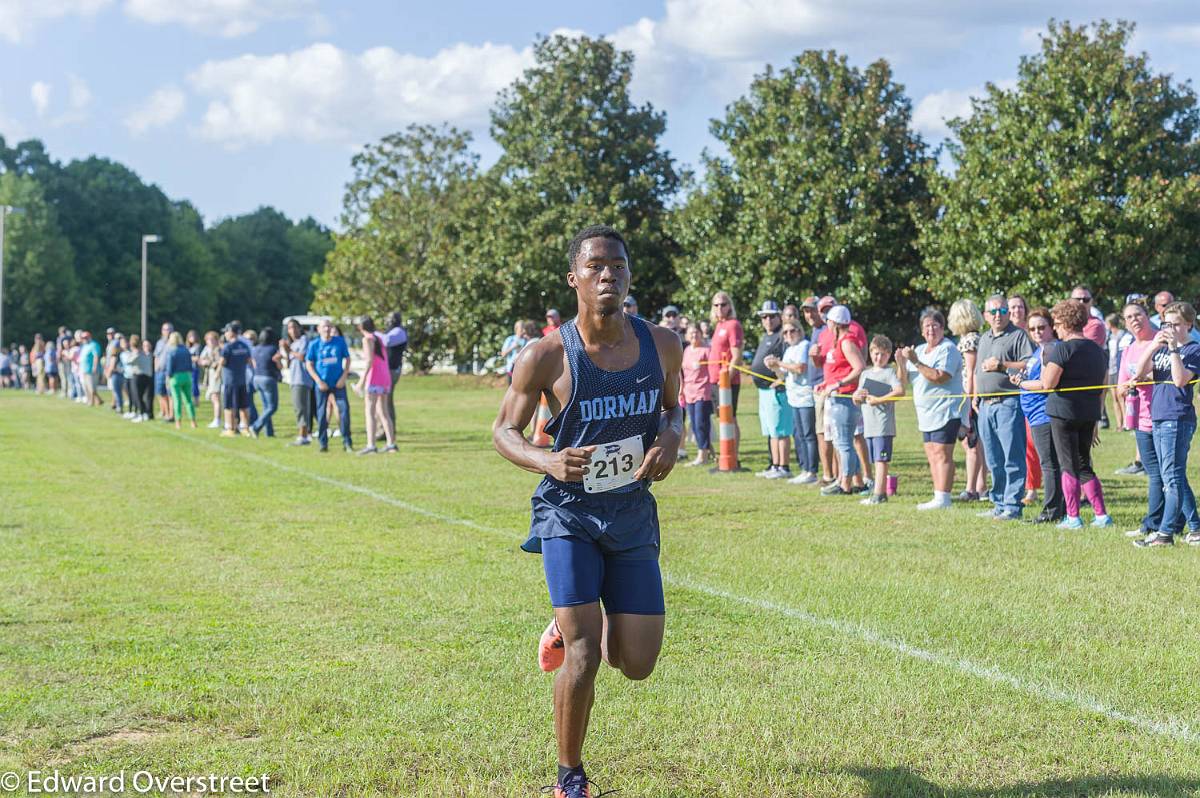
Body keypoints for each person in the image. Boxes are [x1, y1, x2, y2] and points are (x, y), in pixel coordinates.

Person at [491, 225, 682, 798]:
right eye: (596, 266)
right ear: (574, 278)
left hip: (630, 512)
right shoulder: (546, 354)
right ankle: (569, 777)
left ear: (629, 275)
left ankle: (568, 624)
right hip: (568, 513)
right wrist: (546, 460)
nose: (608, 275)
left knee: (638, 661)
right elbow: (503, 430)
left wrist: (671, 438)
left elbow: (675, 409)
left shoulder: (663, 344)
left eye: (617, 266)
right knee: (583, 652)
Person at [1129, 301, 1200, 547]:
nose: (1169, 329)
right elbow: (1138, 373)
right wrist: (1153, 346)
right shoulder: (1160, 349)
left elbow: (1180, 380)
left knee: (1172, 477)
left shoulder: (1193, 350)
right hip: (1158, 416)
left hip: (1177, 418)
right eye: (1166, 324)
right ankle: (1196, 529)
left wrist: (1172, 349)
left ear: (1189, 324)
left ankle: (1165, 534)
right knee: (1174, 475)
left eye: (1176, 324)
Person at [1036, 299, 1111, 530]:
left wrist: (1025, 384)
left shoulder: (1062, 348)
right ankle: (1101, 515)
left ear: (1067, 323)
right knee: (1083, 463)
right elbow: (1103, 385)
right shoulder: (1098, 351)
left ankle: (1073, 517)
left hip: (1064, 413)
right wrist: (1098, 415)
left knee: (1067, 465)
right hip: (1088, 413)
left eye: (1057, 323)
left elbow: (1048, 384)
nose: (1055, 327)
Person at [897, 308, 964, 510]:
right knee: (932, 453)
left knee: (942, 453)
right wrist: (901, 363)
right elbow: (903, 382)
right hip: (925, 413)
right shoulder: (918, 349)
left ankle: (944, 497)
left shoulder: (948, 349)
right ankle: (938, 495)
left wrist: (915, 361)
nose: (931, 329)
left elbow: (940, 376)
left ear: (942, 328)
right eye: (926, 326)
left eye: (935, 325)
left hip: (946, 410)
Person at [975, 293, 1033, 521]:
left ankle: (1012, 505)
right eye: (993, 312)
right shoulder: (984, 338)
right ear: (985, 316)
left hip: (1008, 403)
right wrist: (975, 395)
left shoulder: (1018, 336)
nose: (998, 316)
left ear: (1008, 313)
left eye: (1002, 311)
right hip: (985, 405)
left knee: (1012, 456)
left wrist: (1003, 365)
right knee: (993, 458)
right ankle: (998, 503)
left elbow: (1029, 364)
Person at [1010, 308, 1065, 523]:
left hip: (1045, 414)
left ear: (1051, 327)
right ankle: (1058, 508)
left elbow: (1045, 383)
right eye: (1032, 328)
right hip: (1035, 414)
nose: (1037, 332)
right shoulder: (1039, 350)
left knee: (1049, 464)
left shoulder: (1050, 349)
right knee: (1050, 463)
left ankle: (1052, 511)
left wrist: (1022, 383)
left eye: (1042, 327)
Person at [1115, 302, 1161, 539]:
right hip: (1141, 419)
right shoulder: (1129, 349)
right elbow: (1120, 387)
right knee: (1155, 473)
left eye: (1139, 315)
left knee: (1167, 474)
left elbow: (1169, 373)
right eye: (1130, 317)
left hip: (1164, 417)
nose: (1135, 320)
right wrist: (1129, 385)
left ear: (1147, 316)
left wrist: (1145, 376)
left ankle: (1157, 524)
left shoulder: (1160, 342)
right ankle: (1158, 522)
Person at [814, 305, 865, 496]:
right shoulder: (840, 341)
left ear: (834, 323)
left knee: (843, 443)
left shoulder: (846, 342)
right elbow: (838, 370)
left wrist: (838, 384)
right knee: (843, 442)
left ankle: (845, 484)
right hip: (836, 396)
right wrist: (825, 383)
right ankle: (857, 481)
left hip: (844, 398)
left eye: (828, 321)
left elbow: (859, 367)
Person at [854, 335, 905, 505]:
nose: (879, 357)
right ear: (870, 353)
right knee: (873, 459)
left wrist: (878, 400)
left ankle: (879, 494)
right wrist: (857, 396)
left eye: (883, 354)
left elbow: (899, 391)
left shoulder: (889, 372)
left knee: (881, 460)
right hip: (869, 425)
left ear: (889, 354)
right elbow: (858, 397)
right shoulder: (865, 374)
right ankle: (878, 490)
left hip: (883, 425)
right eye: (876, 353)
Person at [949, 299, 987, 502]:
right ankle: (981, 486)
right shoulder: (974, 338)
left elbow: (971, 372)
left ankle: (972, 488)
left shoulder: (970, 340)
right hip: (968, 395)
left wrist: (970, 399)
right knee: (976, 443)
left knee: (970, 443)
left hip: (967, 396)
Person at [750, 300, 792, 479]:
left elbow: (787, 362)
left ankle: (783, 466)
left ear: (779, 317)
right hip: (763, 391)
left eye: (772, 316)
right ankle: (774, 464)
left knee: (780, 430)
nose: (768, 320)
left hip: (777, 390)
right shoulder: (766, 336)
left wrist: (781, 380)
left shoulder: (782, 336)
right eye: (764, 316)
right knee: (771, 430)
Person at [775, 319, 817, 483]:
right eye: (785, 332)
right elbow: (783, 375)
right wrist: (774, 367)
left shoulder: (804, 346)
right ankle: (804, 469)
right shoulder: (789, 350)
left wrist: (779, 363)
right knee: (798, 435)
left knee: (808, 435)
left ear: (800, 331)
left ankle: (812, 471)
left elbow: (800, 368)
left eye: (792, 331)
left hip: (806, 397)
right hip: (794, 398)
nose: (789, 334)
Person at [305, 319, 353, 453]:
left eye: (329, 326)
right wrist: (318, 381)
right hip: (322, 385)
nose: (327, 329)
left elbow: (347, 359)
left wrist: (343, 377)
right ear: (318, 329)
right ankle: (323, 443)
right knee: (321, 414)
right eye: (324, 327)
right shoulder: (314, 344)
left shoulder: (339, 342)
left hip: (338, 383)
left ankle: (347, 442)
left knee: (344, 411)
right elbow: (309, 363)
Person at [354, 316, 397, 455]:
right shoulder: (378, 338)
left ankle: (371, 445)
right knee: (383, 412)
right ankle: (391, 443)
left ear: (361, 327)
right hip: (384, 377)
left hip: (374, 377)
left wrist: (361, 382)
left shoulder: (367, 339)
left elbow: (369, 361)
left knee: (370, 412)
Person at [707, 291, 744, 451]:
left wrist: (726, 380)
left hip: (727, 381)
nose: (719, 307)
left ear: (729, 306)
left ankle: (732, 456)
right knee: (722, 417)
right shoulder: (718, 325)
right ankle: (726, 452)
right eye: (716, 305)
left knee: (730, 417)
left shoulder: (733, 324)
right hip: (714, 380)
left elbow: (736, 357)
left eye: (723, 304)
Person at [801, 297, 832, 482]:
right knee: (820, 433)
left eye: (813, 310)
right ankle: (828, 474)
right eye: (806, 311)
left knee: (826, 434)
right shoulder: (815, 331)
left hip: (825, 387)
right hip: (815, 387)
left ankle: (831, 475)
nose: (810, 315)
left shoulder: (826, 330)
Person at [680, 323, 713, 466]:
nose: (694, 335)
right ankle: (707, 452)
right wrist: (681, 389)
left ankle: (703, 456)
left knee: (701, 424)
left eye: (696, 332)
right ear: (687, 335)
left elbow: (712, 371)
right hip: (688, 393)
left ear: (701, 334)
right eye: (691, 333)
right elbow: (681, 372)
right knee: (694, 425)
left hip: (702, 392)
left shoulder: (706, 350)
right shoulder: (686, 350)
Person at [218, 322, 253, 438]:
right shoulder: (244, 346)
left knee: (229, 406)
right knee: (243, 405)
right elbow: (249, 361)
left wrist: (217, 372)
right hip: (242, 379)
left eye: (226, 332)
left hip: (230, 380)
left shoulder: (228, 347)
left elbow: (223, 362)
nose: (225, 334)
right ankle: (246, 428)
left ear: (231, 332)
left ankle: (231, 428)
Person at [284, 319, 315, 445]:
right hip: (294, 378)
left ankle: (303, 436)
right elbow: (289, 362)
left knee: (301, 408)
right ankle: (305, 434)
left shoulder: (304, 340)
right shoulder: (293, 343)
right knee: (298, 407)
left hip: (302, 379)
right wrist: (286, 351)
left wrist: (289, 350)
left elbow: (302, 357)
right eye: (290, 328)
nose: (292, 330)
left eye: (294, 327)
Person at [251, 327, 282, 438]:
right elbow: (279, 365)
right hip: (268, 378)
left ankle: (269, 432)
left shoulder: (255, 349)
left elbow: (254, 364)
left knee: (266, 406)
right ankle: (256, 426)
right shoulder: (273, 349)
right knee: (272, 407)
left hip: (256, 378)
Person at [381, 311, 408, 434]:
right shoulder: (392, 331)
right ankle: (385, 428)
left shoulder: (399, 332)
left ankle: (388, 429)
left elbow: (385, 341)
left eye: (390, 319)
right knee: (384, 400)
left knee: (386, 400)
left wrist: (373, 335)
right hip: (387, 369)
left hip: (392, 370)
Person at [165, 331, 197, 430]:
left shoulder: (172, 351)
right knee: (188, 400)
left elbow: (169, 367)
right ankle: (193, 422)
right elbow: (190, 364)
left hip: (176, 377)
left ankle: (178, 422)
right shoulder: (186, 350)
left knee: (177, 400)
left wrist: (168, 377)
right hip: (187, 376)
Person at [199, 331, 224, 429]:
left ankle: (217, 420)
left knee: (215, 397)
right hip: (209, 375)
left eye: (212, 340)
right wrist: (203, 362)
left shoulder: (219, 349)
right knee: (213, 397)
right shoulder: (206, 349)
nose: (210, 342)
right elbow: (201, 360)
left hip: (217, 375)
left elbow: (220, 362)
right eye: (208, 340)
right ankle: (217, 419)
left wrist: (211, 362)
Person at [153, 322, 174, 421]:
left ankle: (171, 414)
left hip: (170, 371)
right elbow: (156, 356)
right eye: (165, 329)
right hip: (160, 371)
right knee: (161, 393)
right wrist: (155, 368)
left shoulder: (174, 342)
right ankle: (164, 412)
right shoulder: (159, 342)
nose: (167, 331)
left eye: (169, 329)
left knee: (170, 393)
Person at [501, 321, 530, 385]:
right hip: (511, 369)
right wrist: (513, 347)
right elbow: (503, 354)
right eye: (521, 328)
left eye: (524, 328)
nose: (523, 330)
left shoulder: (527, 340)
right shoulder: (510, 339)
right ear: (516, 329)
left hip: (523, 369)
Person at [79, 331, 102, 407]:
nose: (84, 339)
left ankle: (91, 402)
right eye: (82, 338)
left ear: (89, 337)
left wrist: (94, 367)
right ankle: (97, 400)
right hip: (84, 370)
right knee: (86, 387)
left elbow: (96, 356)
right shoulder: (84, 346)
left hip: (91, 370)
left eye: (85, 337)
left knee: (91, 387)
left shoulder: (94, 345)